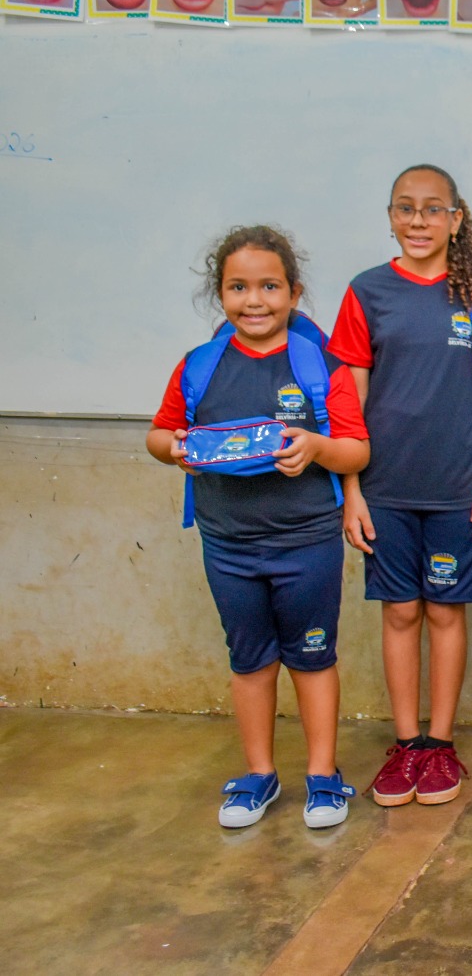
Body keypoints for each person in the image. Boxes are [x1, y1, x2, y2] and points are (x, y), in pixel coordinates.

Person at [147, 226, 370, 829]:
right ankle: (259, 775)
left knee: (314, 658)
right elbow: (159, 434)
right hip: (227, 544)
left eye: (270, 287)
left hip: (308, 541)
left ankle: (323, 776)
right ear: (220, 294)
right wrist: (176, 449)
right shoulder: (198, 367)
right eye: (238, 287)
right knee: (249, 660)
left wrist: (316, 447)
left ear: (294, 293)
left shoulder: (320, 366)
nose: (254, 301)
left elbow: (357, 449)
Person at [329, 164, 472, 807]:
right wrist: (351, 491)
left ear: (456, 219)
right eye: (405, 208)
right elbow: (348, 400)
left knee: (444, 611)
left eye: (433, 209)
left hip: (459, 487)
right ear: (390, 217)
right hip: (385, 489)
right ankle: (406, 743)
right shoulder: (367, 291)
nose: (418, 220)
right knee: (401, 612)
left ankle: (439, 745)